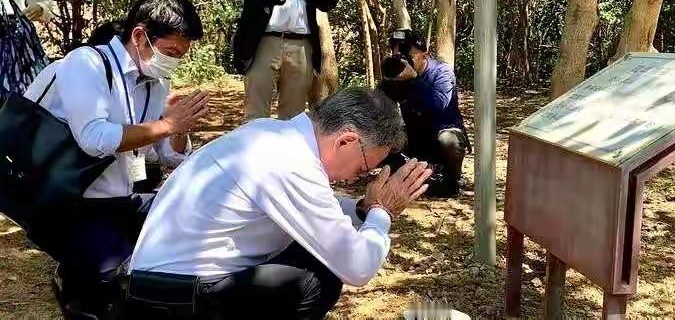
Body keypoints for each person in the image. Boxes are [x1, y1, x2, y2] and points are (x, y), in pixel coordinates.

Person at [128, 88, 432, 319]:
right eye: (363, 167)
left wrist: (363, 209)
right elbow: (358, 267)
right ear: (346, 141)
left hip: (162, 284)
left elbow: (317, 209)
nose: (358, 176)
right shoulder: (292, 164)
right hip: (176, 298)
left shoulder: (272, 134)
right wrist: (382, 213)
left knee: (312, 251)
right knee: (319, 278)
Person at [23, 0, 211, 315]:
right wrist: (167, 124)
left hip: (119, 199)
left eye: (181, 55)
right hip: (66, 202)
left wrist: (178, 129)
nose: (174, 61)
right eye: (170, 52)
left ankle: (87, 279)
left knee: (192, 221)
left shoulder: (155, 83)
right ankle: (79, 285)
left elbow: (162, 155)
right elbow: (94, 138)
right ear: (139, 36)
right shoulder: (86, 63)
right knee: (116, 280)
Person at [379, 29, 469, 198]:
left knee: (449, 141)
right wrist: (389, 83)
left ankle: (454, 178)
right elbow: (381, 105)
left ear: (424, 55)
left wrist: (414, 79)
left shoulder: (442, 71)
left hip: (441, 132)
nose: (403, 60)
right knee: (381, 137)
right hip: (414, 136)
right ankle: (411, 172)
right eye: (398, 56)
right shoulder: (399, 73)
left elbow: (439, 105)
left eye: (407, 56)